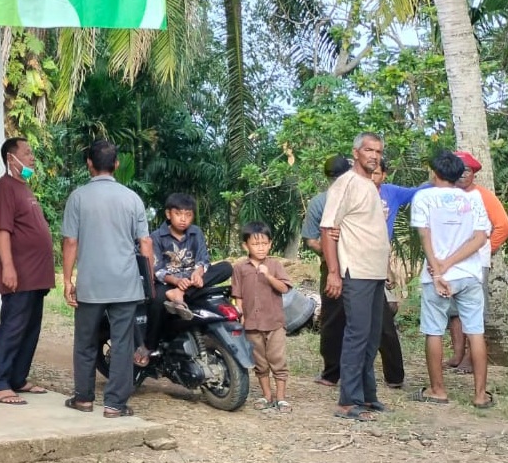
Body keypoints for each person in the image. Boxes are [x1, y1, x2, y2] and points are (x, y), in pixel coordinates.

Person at [61, 139, 154, 417]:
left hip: (91, 284)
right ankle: (115, 404)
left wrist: (67, 280)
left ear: (89, 163)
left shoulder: (77, 197)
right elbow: (145, 243)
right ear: (116, 164)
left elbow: (70, 242)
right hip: (125, 284)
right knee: (123, 343)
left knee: (86, 341)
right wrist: (147, 279)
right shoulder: (132, 198)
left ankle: (84, 399)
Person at [409, 150, 492, 408]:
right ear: (459, 175)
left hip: (437, 276)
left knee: (434, 331)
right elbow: (480, 238)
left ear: (435, 173)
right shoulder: (473, 200)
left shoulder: (423, 197)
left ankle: (438, 390)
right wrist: (452, 263)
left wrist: (438, 269)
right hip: (468, 274)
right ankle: (480, 395)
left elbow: (425, 237)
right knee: (475, 331)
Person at [320, 132, 391, 421]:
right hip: (356, 271)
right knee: (357, 335)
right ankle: (348, 401)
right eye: (369, 150)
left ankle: (368, 396)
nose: (374, 155)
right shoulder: (345, 183)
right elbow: (327, 229)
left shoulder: (369, 185)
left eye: (378, 151)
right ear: (356, 152)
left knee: (371, 337)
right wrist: (334, 273)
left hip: (374, 273)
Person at [0, 137, 55, 405]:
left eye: (31, 153)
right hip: (20, 274)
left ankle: (18, 378)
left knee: (31, 329)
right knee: (13, 327)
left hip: (37, 276)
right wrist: (8, 267)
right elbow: (2, 231)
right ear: (10, 158)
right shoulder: (3, 188)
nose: (31, 158)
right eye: (26, 153)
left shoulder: (23, 187)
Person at [140, 193, 233, 364]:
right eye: (178, 214)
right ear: (168, 214)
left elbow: (203, 259)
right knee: (156, 300)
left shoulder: (196, 232)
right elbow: (157, 269)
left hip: (191, 281)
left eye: (188, 215)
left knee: (226, 267)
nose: (183, 219)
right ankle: (149, 346)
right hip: (168, 283)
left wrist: (198, 272)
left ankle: (180, 294)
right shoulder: (156, 237)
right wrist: (176, 282)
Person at [446, 151, 508, 373]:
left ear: (474, 173)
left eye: (468, 170)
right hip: (450, 262)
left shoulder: (483, 196)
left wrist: (486, 249)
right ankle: (458, 354)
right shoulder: (447, 195)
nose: (464, 174)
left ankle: (471, 360)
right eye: (460, 170)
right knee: (453, 311)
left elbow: (503, 227)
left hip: (475, 263)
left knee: (472, 311)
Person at [370, 157, 429, 389]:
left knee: (384, 318)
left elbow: (419, 191)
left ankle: (394, 375)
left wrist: (440, 179)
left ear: (384, 175)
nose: (371, 177)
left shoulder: (391, 193)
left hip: (379, 258)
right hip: (355, 261)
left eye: (376, 173)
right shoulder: (352, 193)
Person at [232, 221, 293, 413]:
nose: (261, 248)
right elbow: (238, 295)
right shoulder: (240, 268)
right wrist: (240, 314)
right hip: (252, 324)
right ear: (245, 246)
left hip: (274, 322)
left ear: (270, 244)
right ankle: (267, 395)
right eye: (256, 244)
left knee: (277, 359)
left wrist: (269, 277)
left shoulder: (274, 265)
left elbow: (284, 288)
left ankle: (281, 397)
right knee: (260, 362)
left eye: (264, 243)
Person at [302, 155, 352, 388]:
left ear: (326, 176)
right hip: (361, 265)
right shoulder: (362, 197)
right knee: (369, 320)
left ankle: (332, 373)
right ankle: (393, 374)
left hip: (333, 266)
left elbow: (311, 240)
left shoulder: (319, 201)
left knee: (332, 319)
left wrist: (327, 251)